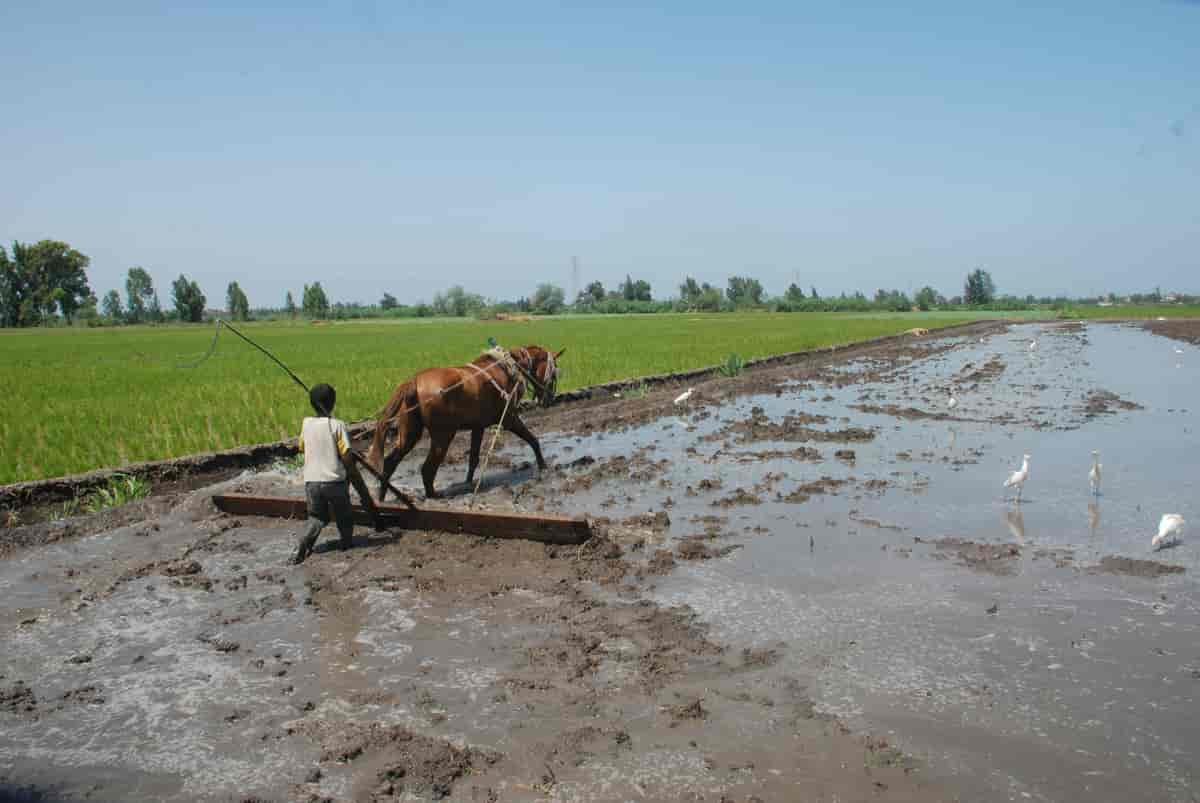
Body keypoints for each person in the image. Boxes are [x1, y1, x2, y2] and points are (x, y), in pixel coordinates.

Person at [291, 383, 383, 565]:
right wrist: (351, 469)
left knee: (317, 518)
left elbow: (301, 448)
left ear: (313, 404)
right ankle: (346, 543)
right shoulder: (337, 425)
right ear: (332, 403)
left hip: (311, 482)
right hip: (334, 482)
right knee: (344, 516)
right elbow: (347, 458)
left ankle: (304, 541)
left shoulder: (306, 424)